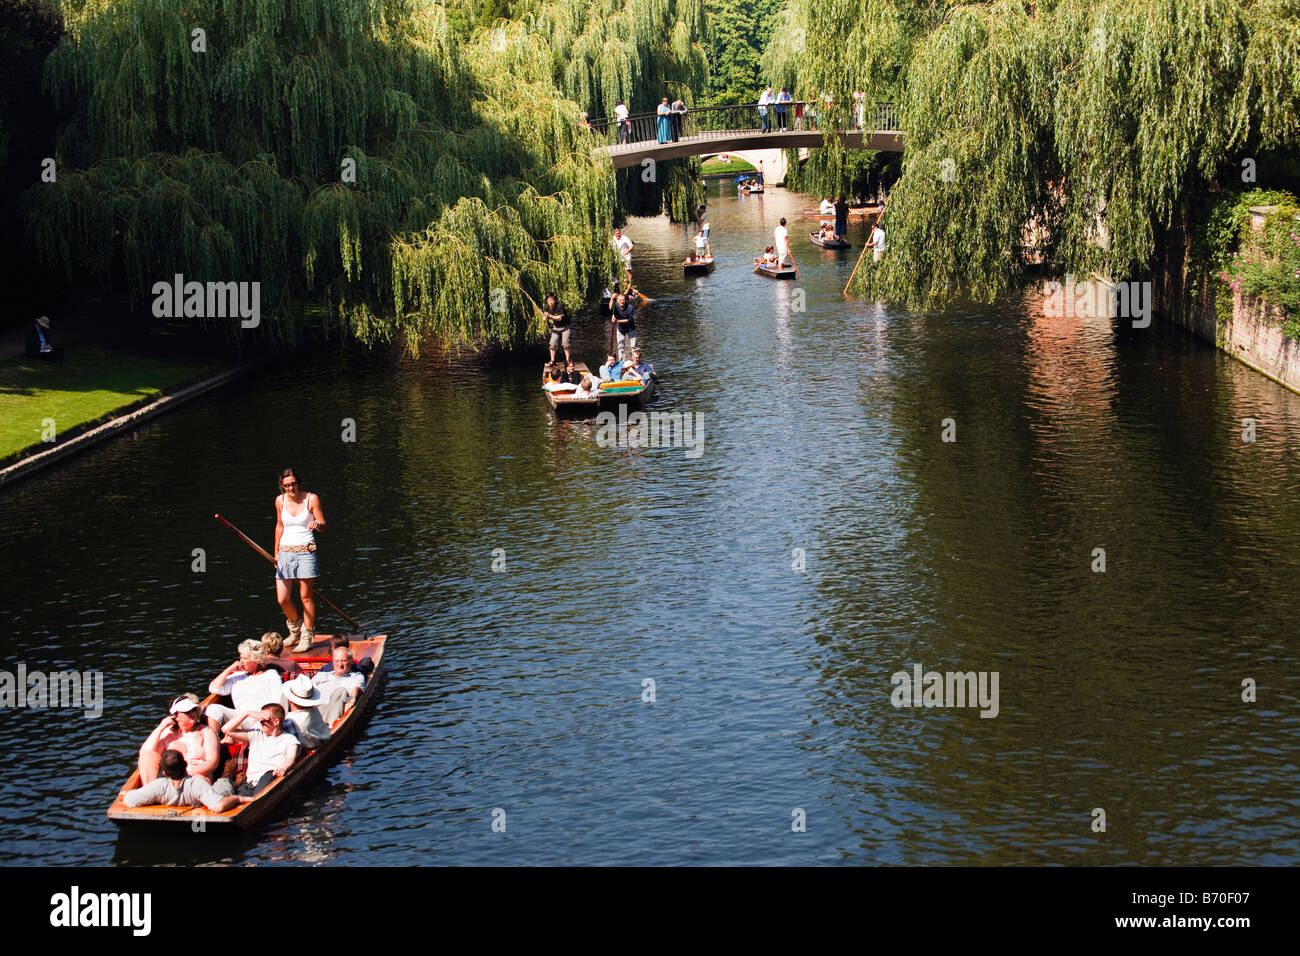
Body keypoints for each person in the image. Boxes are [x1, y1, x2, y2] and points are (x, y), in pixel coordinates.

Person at [274, 468, 325, 651]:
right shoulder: (280, 501)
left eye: (293, 484)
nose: (290, 488)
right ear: (282, 487)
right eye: (286, 485)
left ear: (299, 483)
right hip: (285, 552)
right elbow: (279, 526)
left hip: (306, 551)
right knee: (282, 598)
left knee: (305, 596)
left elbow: (323, 524)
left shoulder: (311, 499)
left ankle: (307, 635)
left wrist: (317, 524)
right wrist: (276, 554)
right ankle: (295, 629)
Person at [216, 705, 299, 798]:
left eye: (264, 720)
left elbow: (291, 757)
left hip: (270, 779)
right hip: (249, 785)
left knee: (267, 777)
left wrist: (284, 767)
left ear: (276, 722)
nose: (261, 722)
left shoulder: (289, 739)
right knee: (235, 799)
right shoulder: (256, 735)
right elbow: (226, 730)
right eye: (260, 719)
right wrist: (247, 714)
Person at [124, 749, 242, 812]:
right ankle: (227, 777)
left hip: (197, 796)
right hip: (204, 796)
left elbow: (129, 799)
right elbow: (219, 806)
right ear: (186, 765)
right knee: (222, 786)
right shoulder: (197, 782)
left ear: (164, 773)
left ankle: (229, 780)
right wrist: (236, 798)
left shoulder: (159, 786)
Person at [206, 639, 284, 734]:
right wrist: (230, 669)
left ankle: (236, 736)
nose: (241, 661)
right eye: (241, 658)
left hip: (261, 719)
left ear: (256, 660)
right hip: (240, 718)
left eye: (245, 658)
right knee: (213, 708)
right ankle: (213, 738)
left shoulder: (271, 675)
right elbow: (214, 688)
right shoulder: (237, 676)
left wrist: (263, 715)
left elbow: (277, 700)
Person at [138, 695, 220, 784]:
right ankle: (151, 791)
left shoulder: (207, 731)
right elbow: (146, 753)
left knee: (198, 780)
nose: (193, 713)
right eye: (187, 712)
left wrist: (183, 776)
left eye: (194, 710)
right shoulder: (168, 733)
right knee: (147, 756)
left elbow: (212, 762)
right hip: (169, 779)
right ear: (176, 716)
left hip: (195, 778)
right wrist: (161, 727)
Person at [312, 643, 366, 724]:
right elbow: (307, 688)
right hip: (313, 710)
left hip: (331, 715)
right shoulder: (321, 675)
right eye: (336, 661)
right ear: (333, 662)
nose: (339, 664)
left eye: (343, 661)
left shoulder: (355, 677)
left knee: (340, 691)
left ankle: (329, 729)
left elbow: (356, 688)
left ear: (351, 661)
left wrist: (352, 699)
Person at [282, 674, 331, 750]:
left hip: (304, 749)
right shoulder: (314, 710)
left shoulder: (291, 722)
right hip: (317, 741)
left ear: (290, 700)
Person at [543, 292, 571, 365]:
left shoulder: (559, 306)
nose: (550, 302)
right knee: (552, 343)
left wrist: (550, 316)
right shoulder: (546, 307)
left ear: (555, 300)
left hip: (565, 326)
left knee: (565, 343)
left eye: (552, 300)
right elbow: (544, 318)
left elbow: (559, 318)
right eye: (549, 300)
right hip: (556, 327)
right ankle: (552, 361)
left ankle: (568, 360)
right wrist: (545, 318)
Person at [610, 291, 637, 363]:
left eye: (623, 300)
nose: (622, 301)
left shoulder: (629, 307)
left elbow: (627, 320)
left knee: (634, 346)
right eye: (620, 300)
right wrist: (612, 299)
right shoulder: (615, 305)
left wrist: (616, 320)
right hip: (621, 329)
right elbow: (610, 307)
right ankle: (622, 362)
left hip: (630, 328)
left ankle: (635, 362)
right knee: (620, 346)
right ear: (617, 301)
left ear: (625, 300)